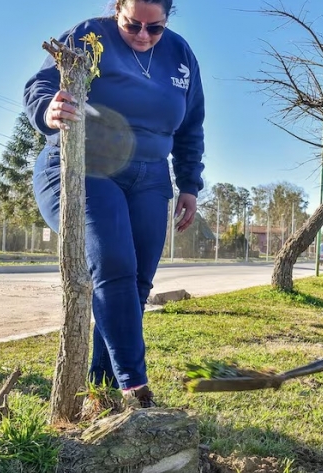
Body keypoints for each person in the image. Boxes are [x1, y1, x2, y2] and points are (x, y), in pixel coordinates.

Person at [23, 0, 205, 408]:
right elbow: (39, 85)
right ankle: (135, 386)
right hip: (86, 164)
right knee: (114, 265)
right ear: (116, 10)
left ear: (167, 20)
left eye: (154, 28)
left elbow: (191, 125)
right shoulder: (90, 35)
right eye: (132, 24)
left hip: (151, 174)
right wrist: (47, 108)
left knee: (137, 284)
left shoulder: (180, 55)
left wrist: (190, 185)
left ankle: (102, 393)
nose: (143, 35)